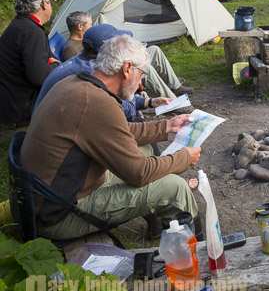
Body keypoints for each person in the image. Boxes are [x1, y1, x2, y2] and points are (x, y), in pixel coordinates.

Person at [21, 34, 202, 241]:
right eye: (141, 74)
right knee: (175, 188)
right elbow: (138, 173)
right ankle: (194, 252)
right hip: (58, 214)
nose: (141, 85)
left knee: (145, 150)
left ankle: (160, 227)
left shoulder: (76, 84)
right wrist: (182, 159)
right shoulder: (97, 102)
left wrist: (166, 126)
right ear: (126, 69)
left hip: (49, 196)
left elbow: (117, 131)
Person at [34, 24, 172, 123]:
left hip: (50, 127)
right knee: (136, 124)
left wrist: (149, 102)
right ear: (108, 50)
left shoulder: (81, 61)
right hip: (59, 138)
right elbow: (121, 109)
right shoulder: (93, 74)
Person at [0, 0, 61, 127]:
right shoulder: (31, 32)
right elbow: (39, 76)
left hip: (9, 106)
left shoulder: (19, 25)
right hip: (20, 113)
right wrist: (56, 66)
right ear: (44, 5)